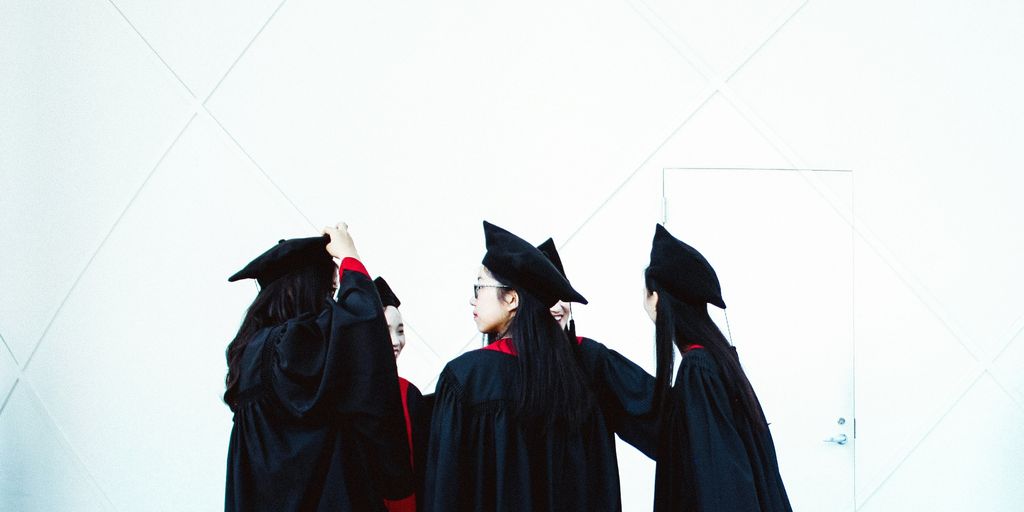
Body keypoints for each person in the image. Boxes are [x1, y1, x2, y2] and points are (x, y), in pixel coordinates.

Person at [422, 221, 624, 511]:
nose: (472, 298)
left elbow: (446, 491)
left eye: (480, 286)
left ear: (512, 299)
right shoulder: (575, 377)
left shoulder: (466, 379)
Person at [223, 224, 415, 512]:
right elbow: (359, 328)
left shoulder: (249, 353)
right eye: (329, 289)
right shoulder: (291, 346)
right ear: (305, 289)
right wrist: (350, 258)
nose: (330, 302)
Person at [644, 224, 791, 511]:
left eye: (646, 293)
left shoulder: (698, 368)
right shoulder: (715, 358)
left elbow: (720, 478)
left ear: (658, 299)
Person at [374, 276, 431, 512]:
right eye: (386, 330)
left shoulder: (409, 394)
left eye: (400, 331)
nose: (397, 341)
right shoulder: (337, 393)